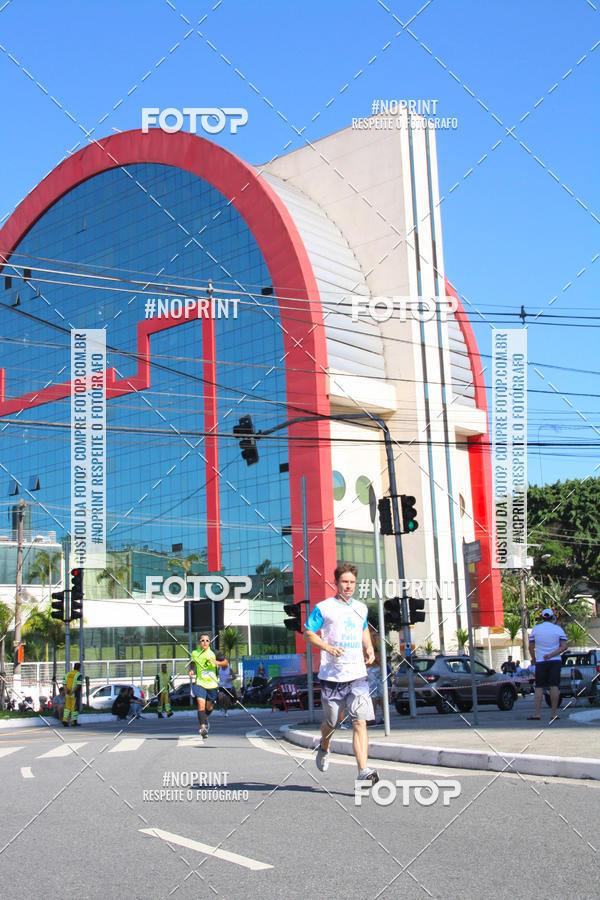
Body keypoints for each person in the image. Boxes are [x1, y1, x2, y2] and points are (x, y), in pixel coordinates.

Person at [304, 562, 379, 788]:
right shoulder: (324, 608)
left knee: (360, 722)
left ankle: (363, 771)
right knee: (332, 722)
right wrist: (327, 648)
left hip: (356, 675)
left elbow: (363, 628)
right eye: (344, 582)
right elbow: (309, 633)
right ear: (336, 583)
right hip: (331, 676)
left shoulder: (361, 608)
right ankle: (324, 746)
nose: (348, 586)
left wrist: (369, 647)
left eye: (352, 582)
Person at [528, 608, 568, 721]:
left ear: (542, 617)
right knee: (554, 686)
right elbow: (564, 646)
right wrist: (552, 654)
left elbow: (530, 646)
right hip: (555, 661)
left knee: (539, 687)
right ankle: (553, 714)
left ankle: (537, 713)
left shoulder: (536, 629)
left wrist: (533, 658)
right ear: (552, 617)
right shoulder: (558, 629)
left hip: (541, 661)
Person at [189, 634, 229, 739]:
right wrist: (192, 670)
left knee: (209, 707)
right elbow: (193, 662)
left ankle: (205, 718)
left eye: (207, 640)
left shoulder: (214, 653)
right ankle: (203, 728)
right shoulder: (195, 653)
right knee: (200, 704)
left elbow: (225, 663)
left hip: (212, 684)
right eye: (202, 640)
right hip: (200, 683)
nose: (205, 642)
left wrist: (216, 662)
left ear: (209, 642)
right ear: (199, 642)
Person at [367, 624, 384, 726]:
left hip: (370, 666)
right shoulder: (377, 636)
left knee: (372, 693)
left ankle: (371, 717)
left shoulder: (366, 637)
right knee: (381, 692)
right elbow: (380, 649)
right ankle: (384, 716)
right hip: (379, 665)